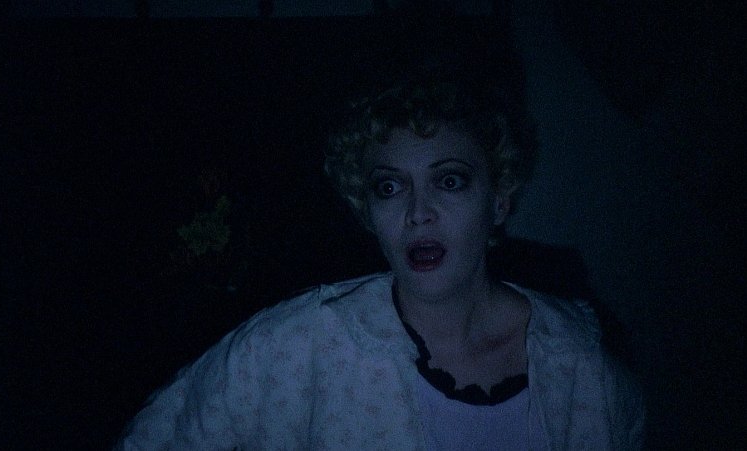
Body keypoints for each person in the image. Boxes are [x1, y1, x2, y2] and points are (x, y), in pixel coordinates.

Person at [116, 63, 644, 450]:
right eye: (389, 187)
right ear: (365, 209)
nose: (418, 213)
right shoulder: (295, 345)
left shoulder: (583, 372)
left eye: (449, 181)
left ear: (499, 197)